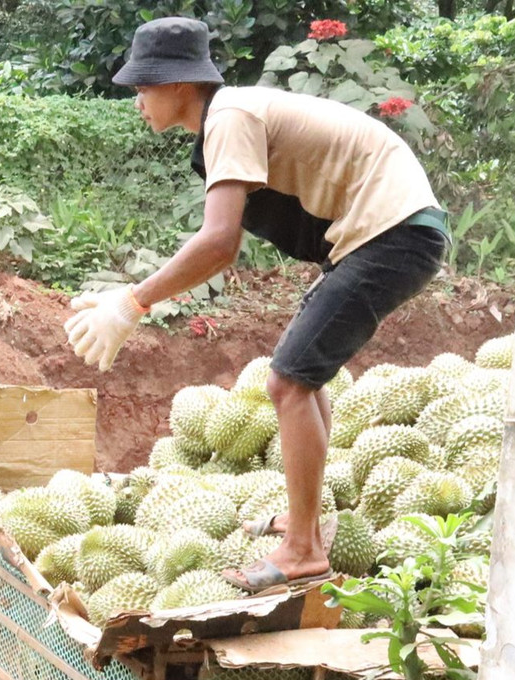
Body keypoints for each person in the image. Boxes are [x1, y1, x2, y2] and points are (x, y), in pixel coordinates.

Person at [63, 16, 449, 592]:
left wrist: (133, 305)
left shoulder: (231, 115)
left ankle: (301, 551)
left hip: (392, 233)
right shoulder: (229, 118)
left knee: (288, 382)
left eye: (143, 87)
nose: (138, 100)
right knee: (304, 378)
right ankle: (306, 528)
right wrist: (127, 296)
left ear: (177, 85)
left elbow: (219, 243)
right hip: (381, 234)